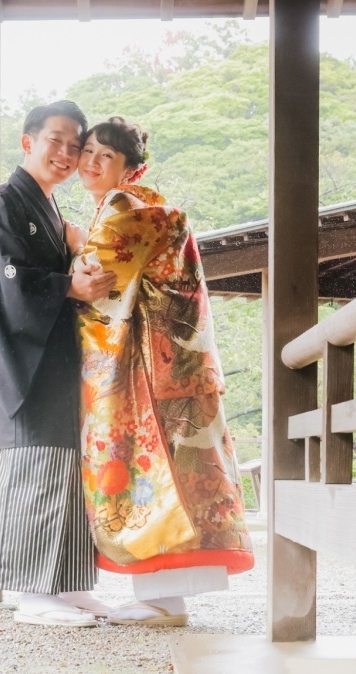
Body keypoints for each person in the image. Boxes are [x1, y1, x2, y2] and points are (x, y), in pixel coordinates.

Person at [74, 117, 254, 625]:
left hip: (149, 372)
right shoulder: (132, 209)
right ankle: (160, 597)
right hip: (169, 365)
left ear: (133, 169)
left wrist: (67, 257)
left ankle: (164, 601)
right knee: (162, 472)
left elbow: (96, 288)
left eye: (106, 156)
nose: (91, 162)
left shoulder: (126, 210)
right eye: (88, 150)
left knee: (154, 471)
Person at [0, 101, 116, 627]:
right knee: (38, 472)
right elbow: (11, 284)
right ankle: (34, 593)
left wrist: (78, 258)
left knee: (68, 472)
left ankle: (69, 585)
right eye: (56, 140)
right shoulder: (2, 205)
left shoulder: (52, 213)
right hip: (24, 364)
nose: (66, 152)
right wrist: (67, 284)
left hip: (58, 360)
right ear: (28, 142)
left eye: (75, 145)